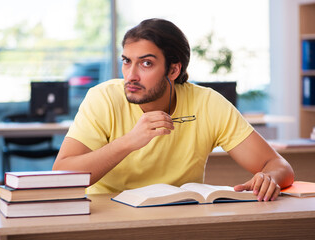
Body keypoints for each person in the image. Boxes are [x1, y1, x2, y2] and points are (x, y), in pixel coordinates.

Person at [53, 18, 294, 201]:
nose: (131, 75)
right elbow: (61, 175)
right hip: (109, 217)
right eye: (127, 61)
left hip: (179, 218)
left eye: (146, 63)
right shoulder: (102, 98)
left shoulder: (208, 103)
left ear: (173, 70)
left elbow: (279, 165)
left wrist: (268, 178)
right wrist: (129, 141)